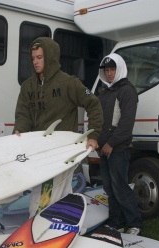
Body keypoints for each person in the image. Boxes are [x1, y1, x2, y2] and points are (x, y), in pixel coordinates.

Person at [14, 37, 103, 216]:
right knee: (56, 190)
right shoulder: (28, 86)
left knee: (47, 193)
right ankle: (64, 219)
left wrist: (93, 135)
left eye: (40, 57)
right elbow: (23, 113)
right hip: (38, 150)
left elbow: (93, 104)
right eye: (33, 58)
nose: (35, 62)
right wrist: (19, 131)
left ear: (51, 57)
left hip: (62, 150)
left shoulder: (68, 83)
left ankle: (38, 220)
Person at [96, 54, 143, 236]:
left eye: (112, 69)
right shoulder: (105, 92)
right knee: (109, 187)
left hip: (118, 149)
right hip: (104, 149)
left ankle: (135, 223)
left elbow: (126, 124)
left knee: (120, 186)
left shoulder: (127, 91)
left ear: (120, 69)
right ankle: (116, 222)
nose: (109, 73)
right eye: (106, 70)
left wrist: (110, 144)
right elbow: (100, 120)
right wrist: (99, 144)